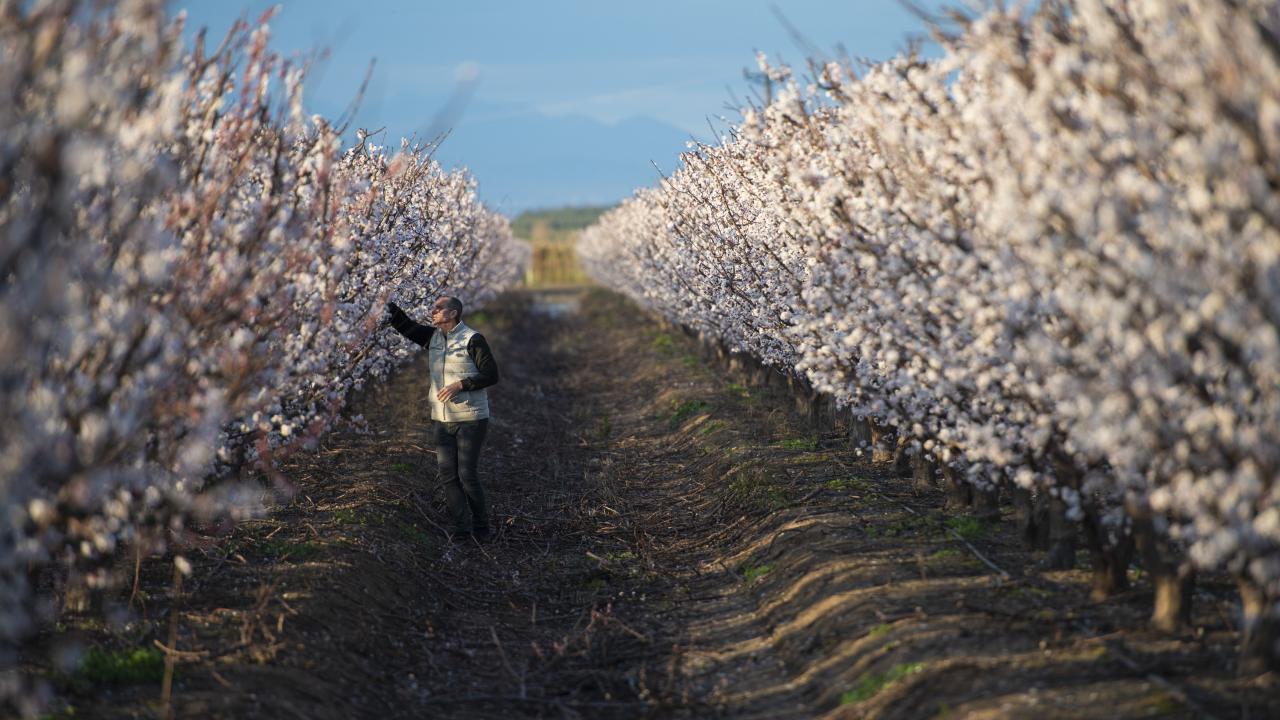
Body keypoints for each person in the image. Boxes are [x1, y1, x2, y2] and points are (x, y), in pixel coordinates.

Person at [385, 296, 500, 540]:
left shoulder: (473, 339)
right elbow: (404, 325)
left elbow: (491, 375)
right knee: (448, 476)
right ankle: (461, 530)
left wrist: (462, 384)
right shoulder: (433, 338)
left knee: (467, 475)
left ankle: (482, 528)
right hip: (441, 418)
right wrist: (382, 300)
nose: (433, 311)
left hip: (471, 418)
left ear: (453, 313)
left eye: (439, 308)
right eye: (433, 307)